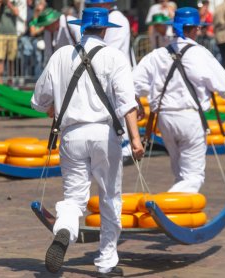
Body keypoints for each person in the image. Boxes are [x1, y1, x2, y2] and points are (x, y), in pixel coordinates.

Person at [31, 7, 144, 277]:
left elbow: (38, 100)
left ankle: (64, 231)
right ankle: (106, 263)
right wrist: (136, 141)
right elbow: (128, 104)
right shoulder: (114, 57)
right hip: (105, 134)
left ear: (82, 27)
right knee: (109, 198)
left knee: (73, 198)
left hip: (71, 135)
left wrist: (58, 106)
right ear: (105, 29)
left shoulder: (60, 56)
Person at [133, 7, 225, 193]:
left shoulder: (157, 55)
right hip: (190, 117)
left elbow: (132, 84)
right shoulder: (201, 53)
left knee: (180, 172)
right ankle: (167, 203)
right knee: (194, 176)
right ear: (196, 29)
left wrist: (138, 103)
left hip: (164, 118)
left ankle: (180, 215)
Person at [85, 0, 136, 164]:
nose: (93, 8)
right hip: (108, 69)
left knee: (121, 107)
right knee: (113, 108)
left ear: (107, 5)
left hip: (116, 70)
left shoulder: (118, 19)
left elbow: (108, 47)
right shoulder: (108, 18)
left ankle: (126, 148)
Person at [0, 0, 21, 85]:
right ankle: (0, 81)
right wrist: (0, 3)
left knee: (11, 59)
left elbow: (16, 13)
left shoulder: (14, 3)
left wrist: (8, 3)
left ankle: (10, 80)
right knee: (0, 59)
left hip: (12, 35)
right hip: (1, 34)